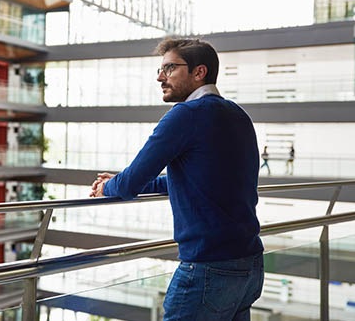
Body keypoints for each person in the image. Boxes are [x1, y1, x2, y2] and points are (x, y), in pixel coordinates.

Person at [90, 38, 264, 320]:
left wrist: (106, 187)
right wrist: (120, 181)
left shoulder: (185, 115)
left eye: (170, 68)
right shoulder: (237, 114)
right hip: (249, 263)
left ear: (199, 72)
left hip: (208, 266)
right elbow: (190, 179)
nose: (160, 77)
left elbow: (129, 185)